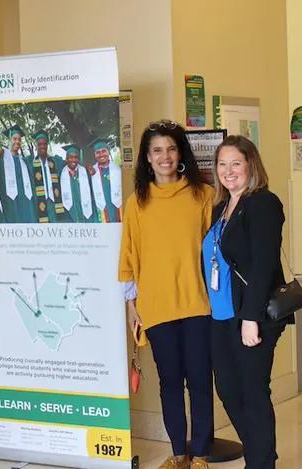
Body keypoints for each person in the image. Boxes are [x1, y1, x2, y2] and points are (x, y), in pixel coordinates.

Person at [118, 120, 214, 469]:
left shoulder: (202, 195)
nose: (165, 156)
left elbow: (214, 252)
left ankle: (201, 455)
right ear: (146, 157)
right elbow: (128, 254)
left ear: (181, 153)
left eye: (171, 148)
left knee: (200, 381)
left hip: (197, 304)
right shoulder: (136, 203)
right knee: (170, 382)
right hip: (156, 307)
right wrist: (131, 305)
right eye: (157, 150)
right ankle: (179, 454)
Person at [203, 135, 293, 469]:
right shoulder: (219, 207)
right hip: (221, 315)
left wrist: (251, 317)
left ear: (250, 165)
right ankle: (259, 454)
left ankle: (261, 462)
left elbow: (263, 263)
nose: (228, 171)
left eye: (236, 163)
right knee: (227, 390)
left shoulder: (262, 203)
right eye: (222, 164)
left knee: (254, 392)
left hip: (250, 315)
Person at [0, 124, 35, 223]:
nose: (17, 142)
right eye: (14, 139)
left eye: (19, 140)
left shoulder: (24, 162)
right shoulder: (1, 161)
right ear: (9, 140)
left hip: (25, 207)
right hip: (9, 207)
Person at [26, 129, 66, 223]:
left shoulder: (56, 161)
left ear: (47, 145)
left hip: (55, 203)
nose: (42, 146)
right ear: (36, 146)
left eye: (44, 144)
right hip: (39, 203)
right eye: (39, 144)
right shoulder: (30, 163)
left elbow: (70, 163)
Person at [59, 144, 97, 223]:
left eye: (76, 157)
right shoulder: (61, 174)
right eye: (71, 157)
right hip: (69, 215)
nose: (73, 160)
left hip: (85, 214)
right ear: (66, 159)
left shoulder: (85, 172)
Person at [89, 137, 122, 223]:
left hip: (118, 211)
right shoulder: (91, 173)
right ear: (95, 155)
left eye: (103, 151)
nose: (101, 154)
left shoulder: (119, 170)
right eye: (98, 152)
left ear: (108, 152)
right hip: (101, 213)